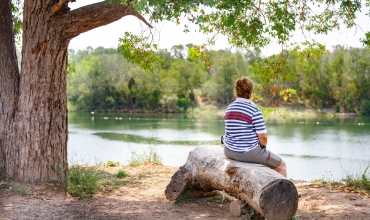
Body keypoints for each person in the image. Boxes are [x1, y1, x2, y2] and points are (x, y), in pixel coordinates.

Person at [222, 77, 287, 177]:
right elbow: (263, 137)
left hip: (228, 151)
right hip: (248, 153)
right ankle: (287, 193)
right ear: (251, 92)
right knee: (282, 165)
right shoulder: (253, 109)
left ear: (237, 91)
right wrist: (262, 148)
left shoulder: (229, 108)